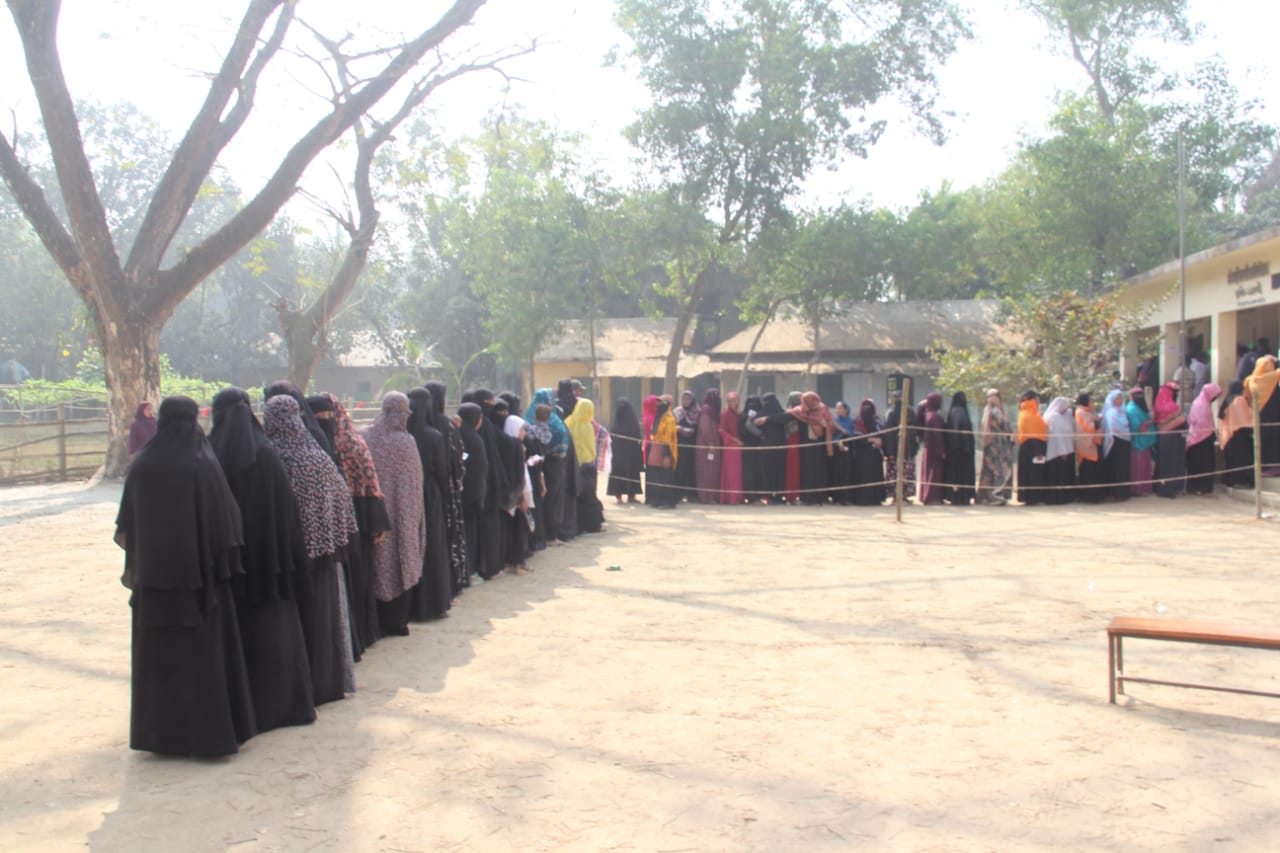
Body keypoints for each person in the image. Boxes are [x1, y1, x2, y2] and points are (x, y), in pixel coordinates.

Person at [115, 395, 256, 756]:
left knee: (160, 660)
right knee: (202, 658)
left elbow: (128, 526)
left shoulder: (143, 463)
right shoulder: (202, 461)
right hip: (200, 586)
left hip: (154, 583)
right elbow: (227, 524)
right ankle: (207, 736)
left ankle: (159, 736)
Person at [209, 387, 316, 734]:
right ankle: (285, 706)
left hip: (230, 568)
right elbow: (287, 516)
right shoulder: (267, 455)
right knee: (274, 635)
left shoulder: (209, 456)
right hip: (271, 565)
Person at [263, 394, 360, 705]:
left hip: (281, 559)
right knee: (322, 620)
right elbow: (344, 504)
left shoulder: (266, 458)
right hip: (322, 556)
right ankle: (324, 684)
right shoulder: (317, 457)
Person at [406, 388, 452, 619]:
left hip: (404, 497)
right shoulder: (434, 436)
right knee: (431, 547)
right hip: (430, 495)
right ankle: (433, 604)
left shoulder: (400, 434)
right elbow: (442, 472)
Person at [425, 381, 469, 595]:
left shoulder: (412, 423)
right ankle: (451, 584)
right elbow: (457, 458)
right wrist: (458, 480)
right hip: (446, 490)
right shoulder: (447, 424)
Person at [564, 396, 606, 533]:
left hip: (571, 462)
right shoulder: (587, 426)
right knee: (588, 493)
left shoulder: (568, 421)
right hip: (586, 464)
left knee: (576, 492)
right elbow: (591, 446)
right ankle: (591, 523)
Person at [1185, 382, 1222, 494]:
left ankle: (1194, 487)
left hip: (1194, 438)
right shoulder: (1203, 405)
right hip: (1202, 439)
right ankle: (1203, 487)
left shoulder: (1198, 402)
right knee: (1204, 465)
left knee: (1196, 465)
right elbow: (1203, 423)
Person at [1245, 354, 1280, 473]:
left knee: (1261, 443)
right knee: (1273, 443)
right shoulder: (1271, 377)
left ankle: (1261, 468)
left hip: (1258, 415)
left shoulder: (1251, 379)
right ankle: (1273, 468)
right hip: (1273, 416)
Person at [978, 389, 1014, 505]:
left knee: (990, 470)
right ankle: (998, 496)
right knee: (1000, 470)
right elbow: (1006, 426)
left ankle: (987, 497)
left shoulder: (987, 410)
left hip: (990, 445)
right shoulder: (997, 411)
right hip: (1000, 445)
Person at [1152, 382, 1187, 499]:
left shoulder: (1157, 404)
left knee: (1165, 463)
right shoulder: (1172, 406)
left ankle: (1164, 488)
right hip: (1172, 438)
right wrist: (1179, 419)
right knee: (1172, 463)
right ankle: (1171, 489)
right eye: (1174, 392)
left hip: (1164, 438)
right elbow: (1180, 420)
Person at [884, 391, 919, 504]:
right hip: (895, 449)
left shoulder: (909, 412)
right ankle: (895, 497)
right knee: (896, 473)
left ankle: (903, 496)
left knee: (906, 473)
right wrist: (889, 452)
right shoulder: (891, 413)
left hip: (908, 448)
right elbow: (889, 434)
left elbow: (915, 429)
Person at [1218, 380, 1254, 487]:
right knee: (1242, 459)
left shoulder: (1227, 399)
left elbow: (1220, 416)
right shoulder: (1240, 400)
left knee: (1231, 460)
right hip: (1240, 434)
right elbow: (1245, 419)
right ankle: (1241, 481)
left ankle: (1230, 481)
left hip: (1228, 435)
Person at [607, 398, 643, 503]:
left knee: (627, 473)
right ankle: (623, 497)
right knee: (623, 473)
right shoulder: (625, 422)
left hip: (626, 455)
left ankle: (627, 497)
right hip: (624, 455)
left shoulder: (618, 423)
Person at [942, 392, 975, 506]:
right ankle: (962, 498)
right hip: (962, 451)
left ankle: (955, 497)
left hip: (953, 450)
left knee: (955, 475)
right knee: (962, 476)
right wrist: (966, 448)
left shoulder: (952, 412)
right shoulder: (961, 412)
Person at [851, 398, 886, 506]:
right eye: (865, 407)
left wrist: (880, 441)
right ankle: (863, 500)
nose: (867, 409)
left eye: (869, 407)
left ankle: (876, 499)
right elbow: (857, 436)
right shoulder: (858, 420)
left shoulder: (877, 420)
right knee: (864, 476)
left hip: (875, 453)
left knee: (875, 475)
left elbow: (883, 433)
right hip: (862, 453)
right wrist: (870, 439)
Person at [646, 397, 679, 509]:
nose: (660, 404)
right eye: (659, 402)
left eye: (663, 402)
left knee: (665, 476)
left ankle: (668, 501)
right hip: (656, 447)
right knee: (657, 476)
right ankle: (658, 499)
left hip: (666, 450)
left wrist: (666, 455)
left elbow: (668, 438)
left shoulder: (669, 419)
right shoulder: (659, 416)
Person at [755, 392, 788, 504]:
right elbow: (753, 423)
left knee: (777, 471)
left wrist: (768, 419)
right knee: (770, 471)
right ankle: (769, 496)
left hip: (776, 446)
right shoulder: (763, 413)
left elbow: (785, 417)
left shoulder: (778, 413)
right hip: (769, 446)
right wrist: (760, 434)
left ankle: (778, 496)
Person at [1016, 391, 1048, 506]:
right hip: (1035, 448)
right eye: (1037, 399)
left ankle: (1029, 496)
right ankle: (1033, 497)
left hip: (1029, 447)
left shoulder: (1025, 413)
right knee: (1035, 472)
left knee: (1028, 472)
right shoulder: (1030, 414)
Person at [1043, 397, 1076, 505]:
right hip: (1057, 451)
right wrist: (1063, 452)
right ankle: (1056, 498)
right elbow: (1058, 436)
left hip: (1064, 449)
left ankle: (1064, 497)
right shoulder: (1054, 417)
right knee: (1056, 475)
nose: (1066, 410)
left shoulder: (1062, 416)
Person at [1125, 387, 1157, 496]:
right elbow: (1136, 425)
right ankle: (1137, 489)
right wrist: (1149, 422)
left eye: (1141, 395)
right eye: (1137, 395)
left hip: (1145, 441)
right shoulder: (1131, 408)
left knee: (1145, 466)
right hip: (1137, 442)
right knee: (1138, 466)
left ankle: (1145, 488)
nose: (1140, 397)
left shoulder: (1140, 407)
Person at [1101, 389, 1132, 500]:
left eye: (1120, 398)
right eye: (1117, 398)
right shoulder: (1110, 412)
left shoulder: (1122, 412)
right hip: (1114, 443)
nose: (1119, 400)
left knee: (1123, 468)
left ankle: (1123, 493)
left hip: (1124, 443)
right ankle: (1113, 492)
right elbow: (1111, 427)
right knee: (1115, 468)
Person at [1074, 393, 1105, 503]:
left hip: (1095, 444)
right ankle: (1087, 496)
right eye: (1090, 400)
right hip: (1086, 446)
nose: (1092, 403)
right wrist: (1096, 424)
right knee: (1087, 471)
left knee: (1096, 471)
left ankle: (1096, 495)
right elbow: (1087, 427)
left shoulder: (1090, 412)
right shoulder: (1080, 412)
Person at [917, 392, 946, 505]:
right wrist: (942, 450)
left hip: (928, 448)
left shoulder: (927, 414)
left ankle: (926, 496)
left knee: (928, 472)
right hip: (934, 449)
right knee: (934, 474)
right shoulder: (934, 416)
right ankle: (932, 498)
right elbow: (938, 435)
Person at [695, 388, 723, 503]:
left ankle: (712, 496)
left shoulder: (713, 411)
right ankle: (705, 497)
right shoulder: (707, 410)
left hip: (714, 445)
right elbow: (705, 427)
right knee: (706, 472)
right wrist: (710, 443)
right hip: (706, 446)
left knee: (713, 471)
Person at [719, 391, 745, 504]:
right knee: (731, 473)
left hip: (739, 446)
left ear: (738, 401)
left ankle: (738, 497)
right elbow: (721, 430)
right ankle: (731, 498)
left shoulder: (739, 413)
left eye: (734, 401)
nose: (731, 403)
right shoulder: (725, 414)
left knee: (738, 474)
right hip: (731, 446)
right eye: (729, 401)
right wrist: (735, 440)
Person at [673, 389, 699, 501]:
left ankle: (691, 494)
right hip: (680, 444)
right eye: (683, 398)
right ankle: (679, 494)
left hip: (693, 444)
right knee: (681, 468)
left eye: (688, 399)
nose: (685, 401)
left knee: (691, 468)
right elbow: (672, 426)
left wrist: (687, 430)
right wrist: (679, 429)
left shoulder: (698, 412)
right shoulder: (677, 412)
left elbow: (698, 429)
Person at [830, 401, 857, 505]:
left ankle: (847, 498)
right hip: (837, 450)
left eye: (840, 408)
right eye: (837, 408)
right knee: (837, 473)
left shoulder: (851, 421)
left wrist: (842, 431)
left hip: (848, 449)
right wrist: (837, 443)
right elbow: (831, 435)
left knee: (847, 473)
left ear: (846, 410)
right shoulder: (834, 421)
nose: (838, 410)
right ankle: (836, 497)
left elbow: (851, 433)